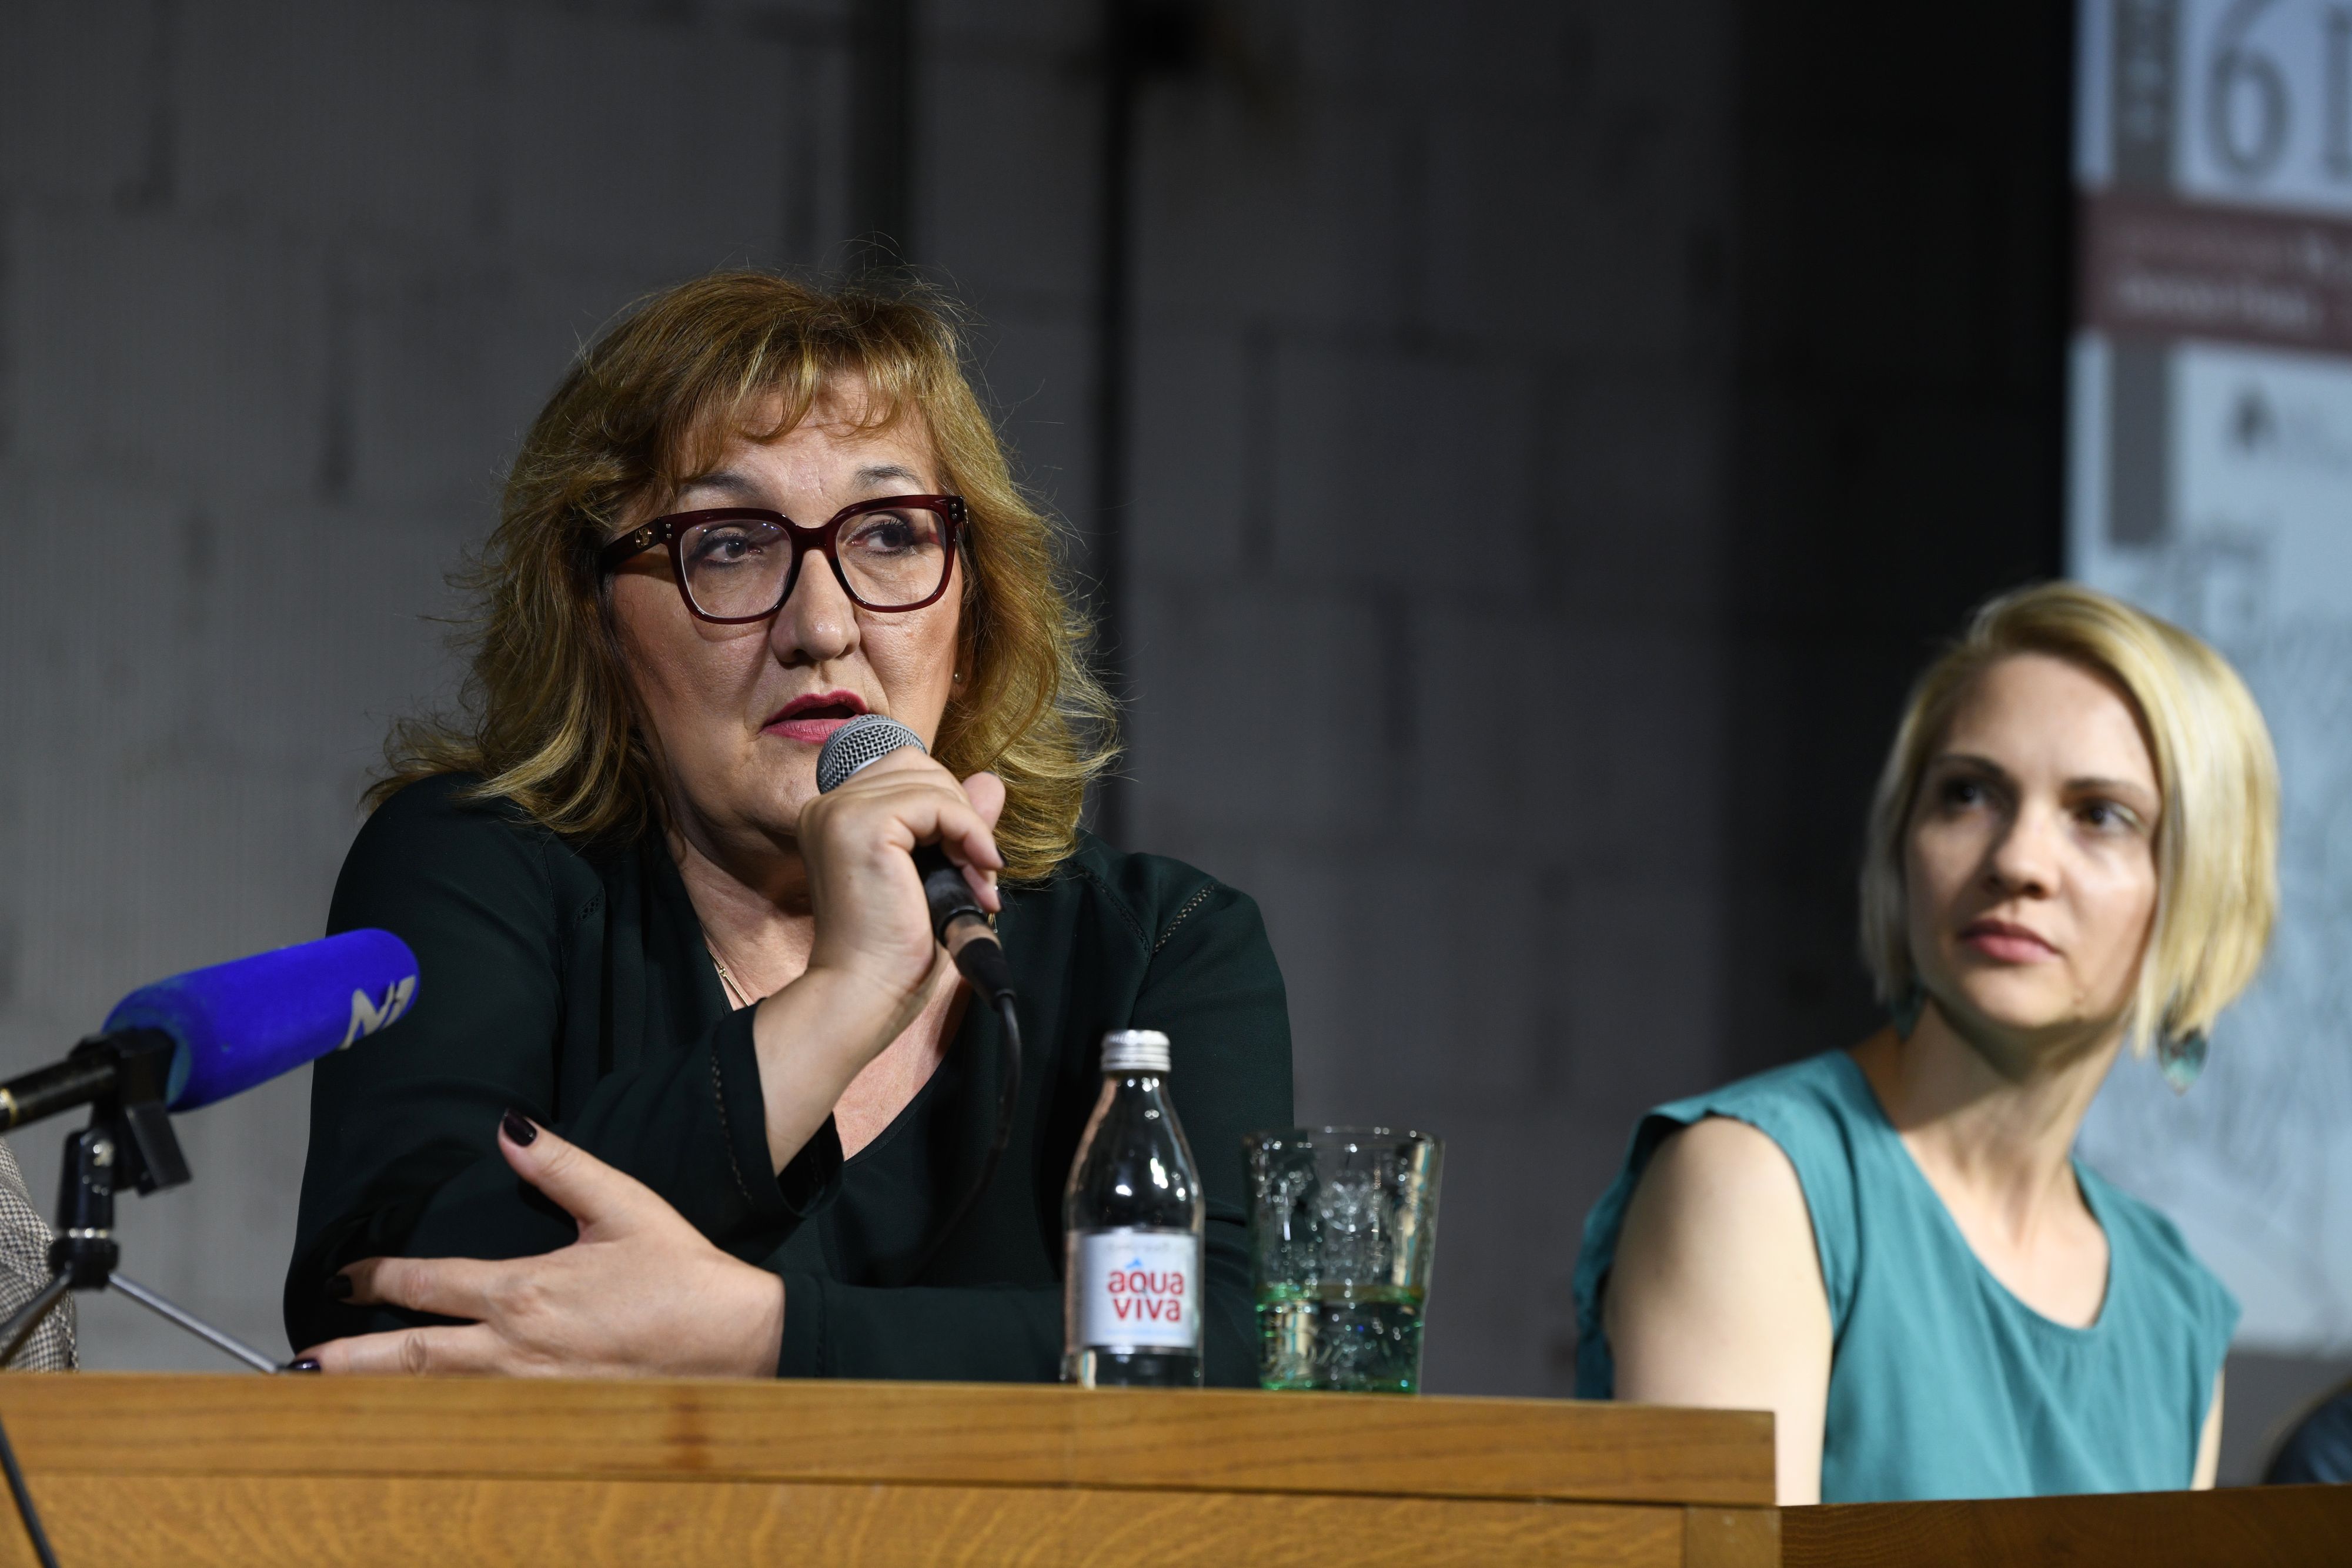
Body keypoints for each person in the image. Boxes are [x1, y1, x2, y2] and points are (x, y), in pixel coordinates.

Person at [282, 272, 1291, 1381]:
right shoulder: (473, 870)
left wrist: (762, 1341)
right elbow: (387, 1312)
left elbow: (1239, 1357)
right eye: (728, 544)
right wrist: (847, 994)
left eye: (891, 534)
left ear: (976, 601)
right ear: (598, 619)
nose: (822, 624)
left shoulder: (1157, 948)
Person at [1574, 582, 2274, 1503]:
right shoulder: (1755, 1184)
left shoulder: (2177, 1309)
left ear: (2200, 888)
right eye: (1971, 795)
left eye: (2099, 813)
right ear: (1904, 844)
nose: (2018, 862)